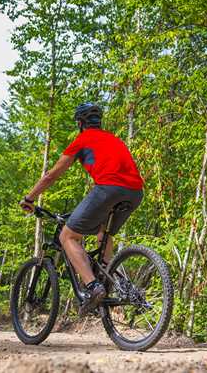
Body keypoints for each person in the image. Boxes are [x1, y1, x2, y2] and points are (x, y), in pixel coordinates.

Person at [19, 103, 144, 316]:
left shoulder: (82, 140)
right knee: (103, 232)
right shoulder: (115, 139)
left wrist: (29, 198)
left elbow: (52, 175)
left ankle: (93, 286)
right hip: (135, 192)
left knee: (67, 236)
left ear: (80, 123)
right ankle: (109, 278)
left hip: (108, 189)